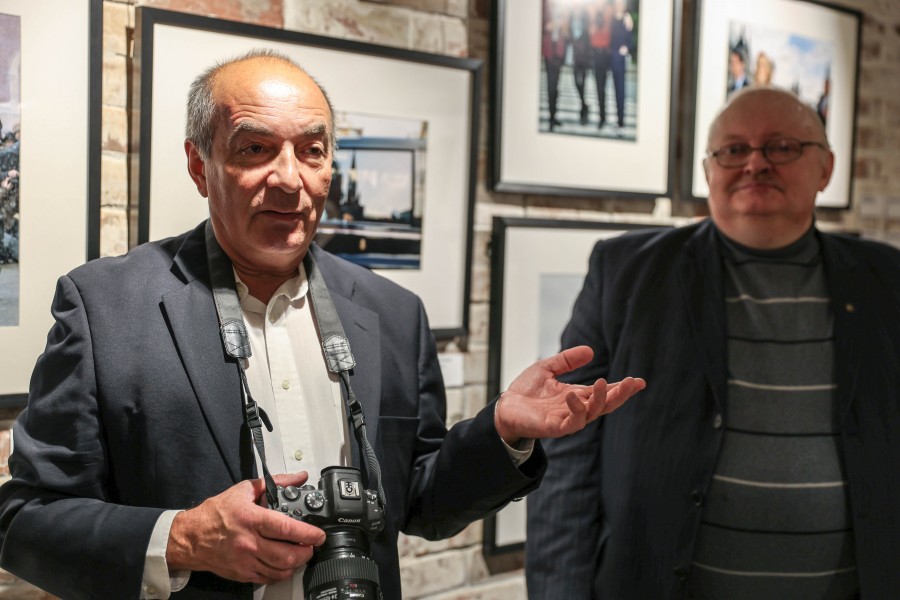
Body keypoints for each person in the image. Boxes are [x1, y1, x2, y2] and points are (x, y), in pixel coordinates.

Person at [0, 50, 645, 600]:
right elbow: (23, 520)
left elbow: (419, 499)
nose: (290, 179)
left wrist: (502, 432)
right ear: (199, 166)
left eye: (312, 150)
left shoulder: (393, 312)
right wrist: (183, 538)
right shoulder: (107, 308)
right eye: (256, 149)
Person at [525, 86, 900, 599]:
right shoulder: (628, 273)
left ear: (826, 168)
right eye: (733, 149)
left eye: (782, 147)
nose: (755, 164)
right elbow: (567, 451)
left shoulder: (887, 281)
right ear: (708, 171)